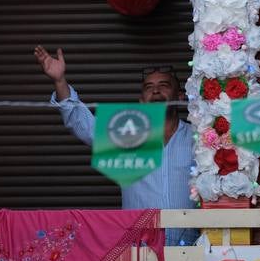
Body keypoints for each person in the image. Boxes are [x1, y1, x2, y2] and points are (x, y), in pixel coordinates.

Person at [34, 46, 197, 246]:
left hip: (193, 253)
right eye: (148, 87)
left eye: (164, 85)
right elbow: (82, 124)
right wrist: (59, 81)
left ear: (180, 96)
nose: (155, 91)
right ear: (141, 101)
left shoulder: (199, 138)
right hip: (140, 254)